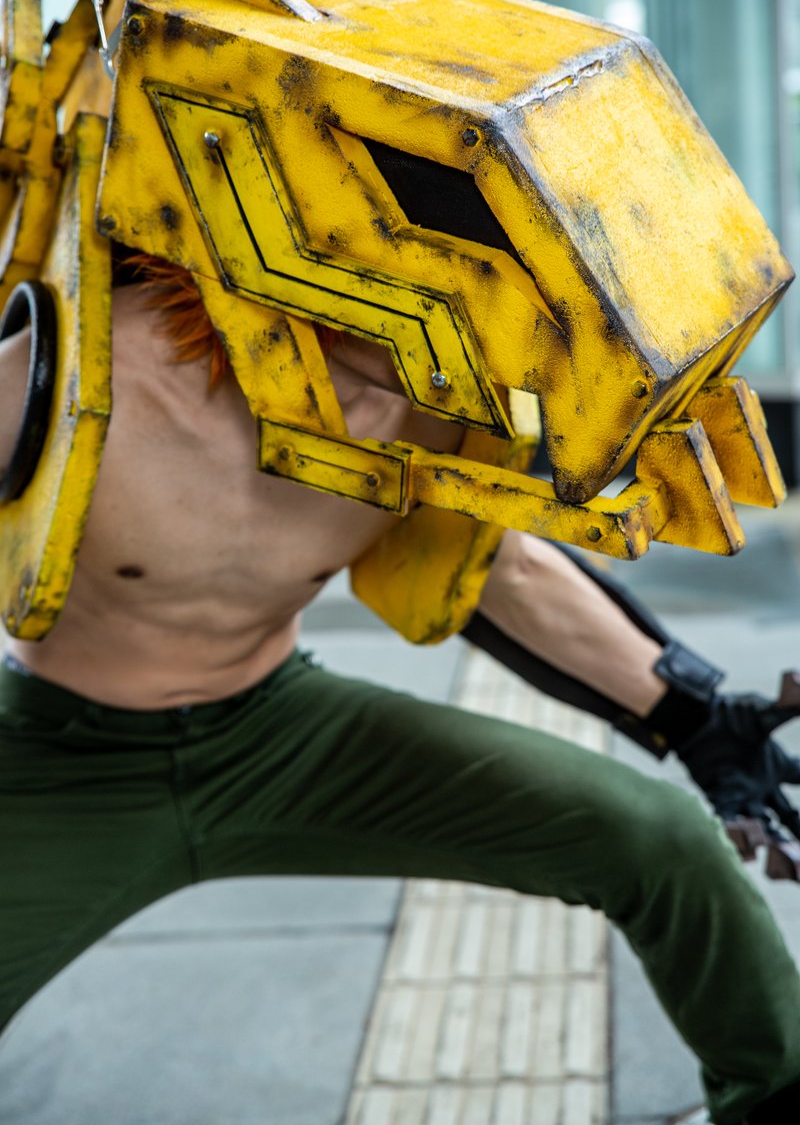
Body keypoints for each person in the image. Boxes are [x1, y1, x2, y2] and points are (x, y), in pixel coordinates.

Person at [1, 253, 799, 1125]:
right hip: (62, 757)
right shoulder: (80, 363)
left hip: (280, 733)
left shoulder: (443, 401)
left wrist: (693, 719)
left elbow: (501, 572)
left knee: (662, 840)